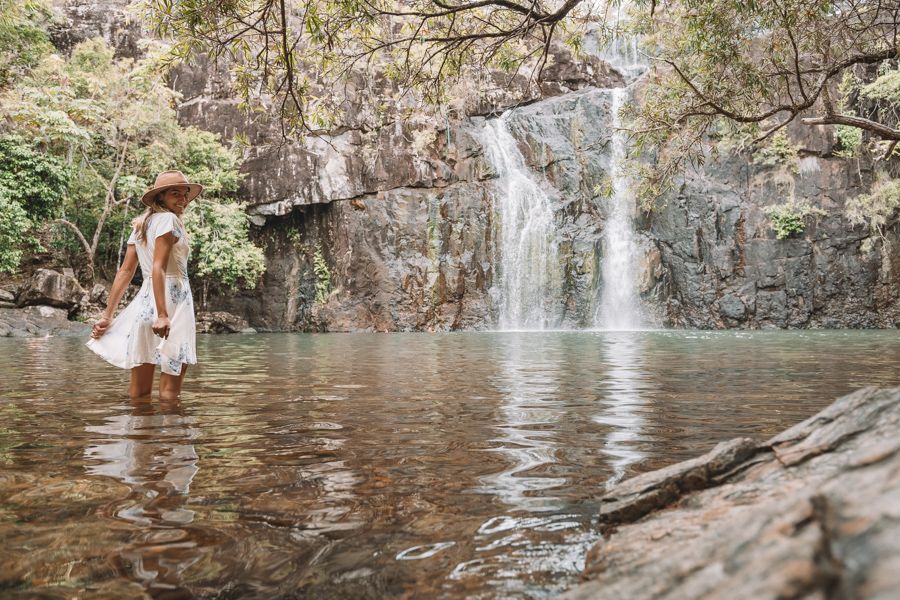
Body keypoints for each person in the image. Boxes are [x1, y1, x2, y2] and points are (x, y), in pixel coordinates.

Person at [87, 170, 202, 400]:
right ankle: (169, 436)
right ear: (161, 197)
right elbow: (158, 268)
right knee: (170, 393)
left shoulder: (141, 225)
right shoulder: (169, 221)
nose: (183, 199)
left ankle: (141, 434)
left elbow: (125, 271)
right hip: (172, 305)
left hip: (144, 306)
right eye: (175, 193)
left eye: (185, 194)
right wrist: (162, 314)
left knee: (139, 394)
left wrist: (107, 315)